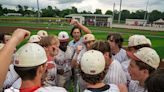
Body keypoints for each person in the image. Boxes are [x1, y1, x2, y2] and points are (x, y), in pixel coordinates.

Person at [68, 19, 91, 92]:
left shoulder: (82, 40)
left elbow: (89, 32)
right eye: (74, 32)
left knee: (83, 83)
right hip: (73, 65)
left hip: (82, 65)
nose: (76, 34)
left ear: (80, 34)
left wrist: (78, 24)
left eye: (78, 32)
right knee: (75, 83)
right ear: (72, 34)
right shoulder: (70, 43)